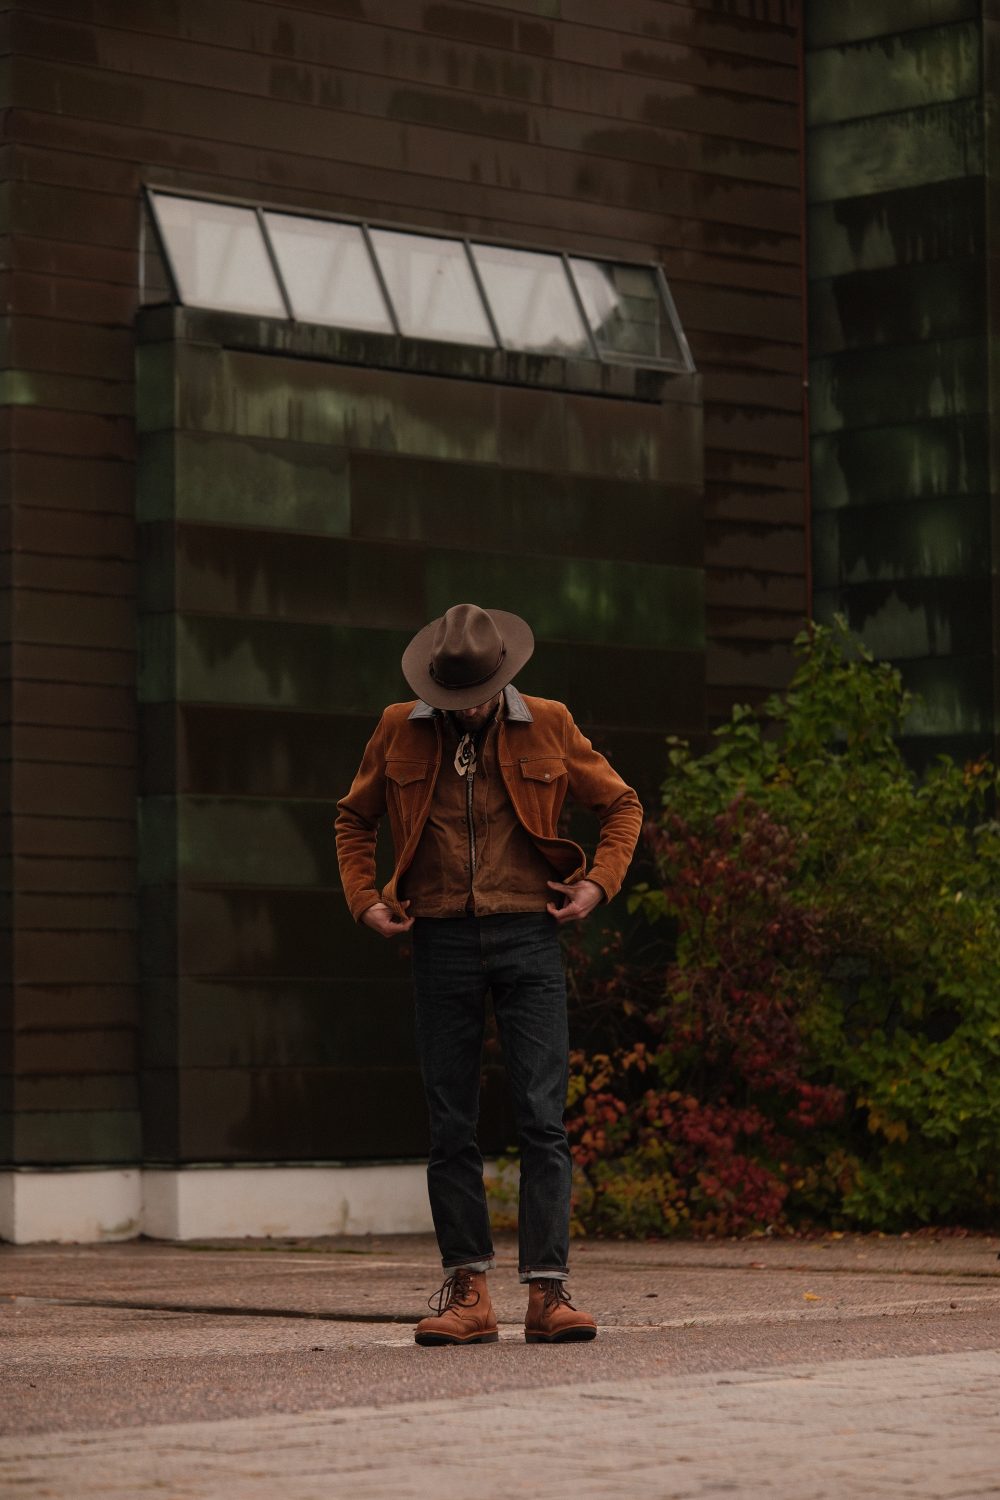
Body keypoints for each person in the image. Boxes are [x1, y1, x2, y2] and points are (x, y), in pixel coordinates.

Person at [335, 603, 642, 1344]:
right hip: (437, 937)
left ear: (499, 678)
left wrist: (598, 883)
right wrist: (363, 899)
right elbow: (353, 817)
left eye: (472, 696)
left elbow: (622, 805)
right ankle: (467, 1291)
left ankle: (547, 1292)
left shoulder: (549, 721)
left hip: (530, 937)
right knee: (451, 1124)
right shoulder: (395, 727)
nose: (461, 709)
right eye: (448, 697)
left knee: (542, 1120)